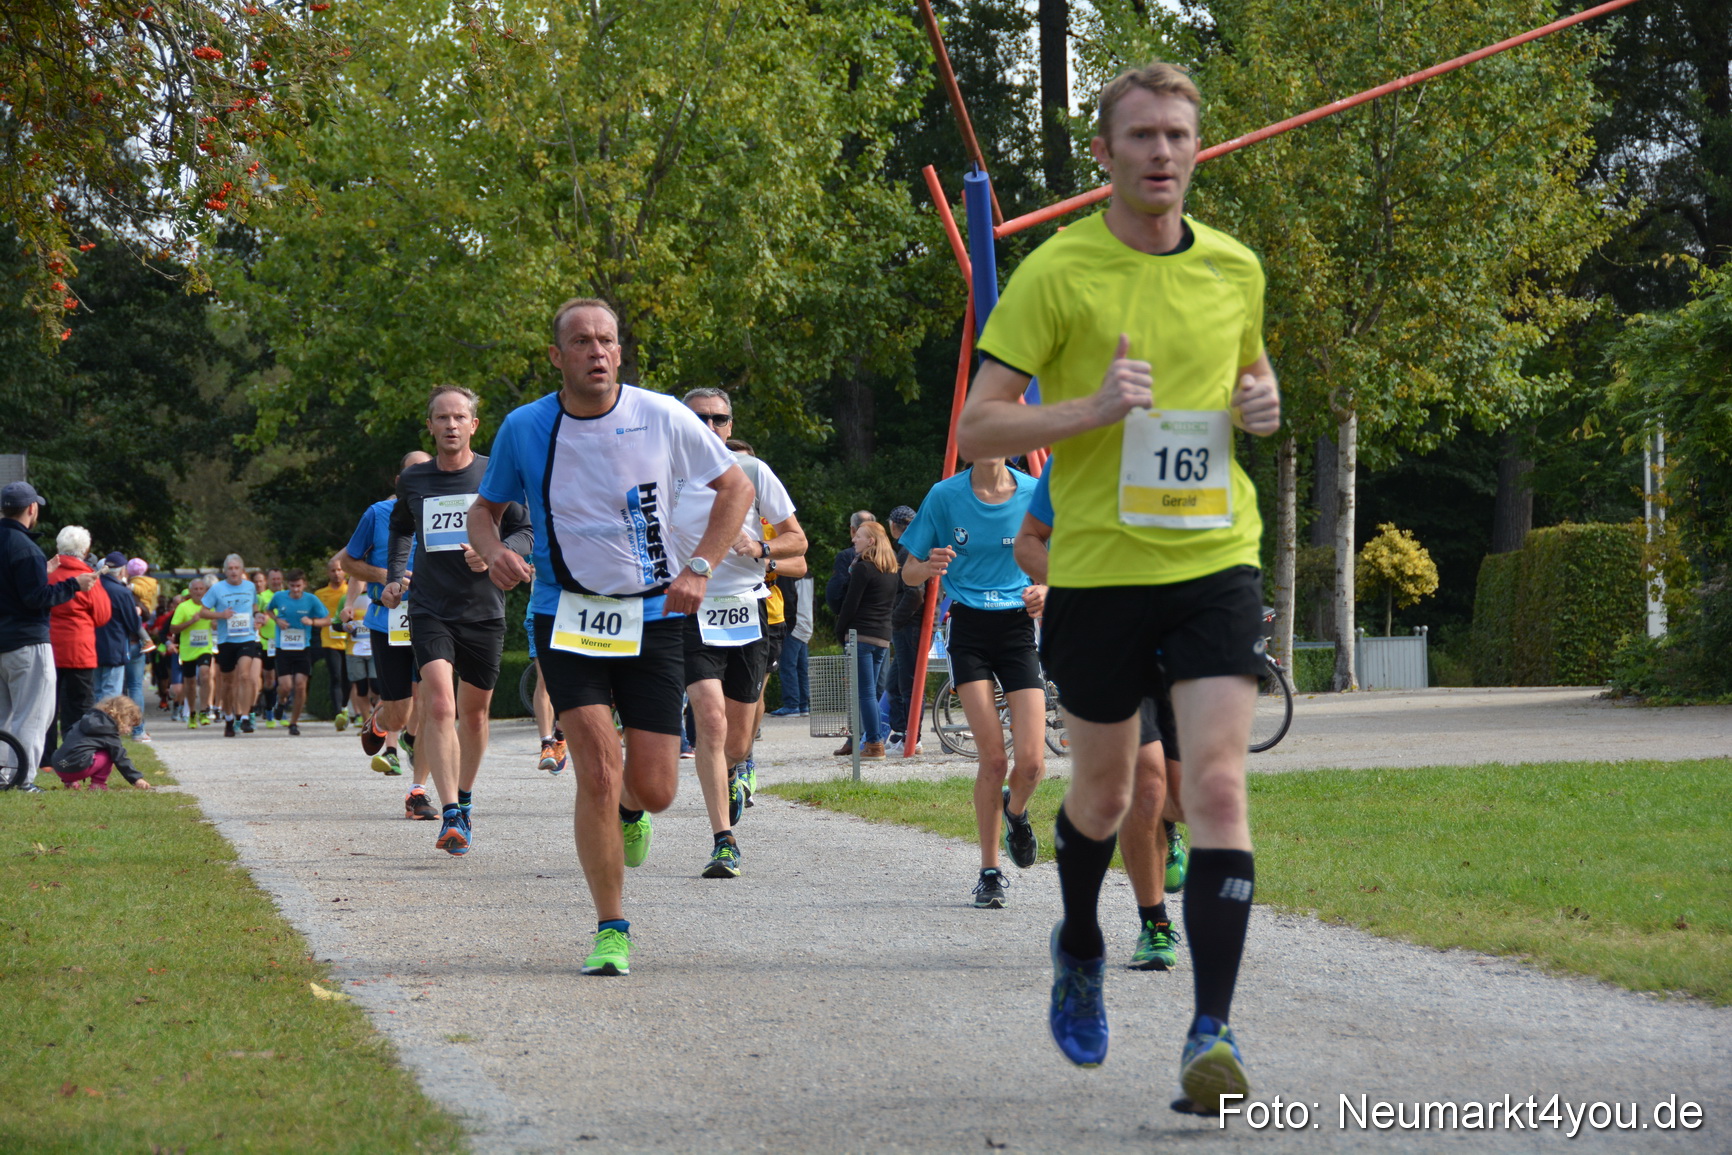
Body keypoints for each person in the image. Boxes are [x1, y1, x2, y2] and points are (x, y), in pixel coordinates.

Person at [955, 61, 1281, 1112]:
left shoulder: (1235, 267)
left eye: (1177, 136)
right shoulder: (1059, 272)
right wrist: (1088, 411)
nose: (1160, 153)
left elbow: (1240, 382)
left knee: (1209, 788)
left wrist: (1263, 400)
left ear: (1198, 149)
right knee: (1102, 794)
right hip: (1096, 570)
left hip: (1215, 556)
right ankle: (1082, 942)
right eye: (1139, 136)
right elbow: (977, 425)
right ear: (1103, 153)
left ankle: (1210, 1031)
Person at [467, 296, 752, 976]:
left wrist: (702, 566)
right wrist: (496, 550)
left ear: (620, 352)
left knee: (653, 786)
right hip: (565, 616)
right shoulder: (524, 426)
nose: (596, 351)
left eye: (607, 340)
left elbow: (734, 486)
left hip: (654, 617)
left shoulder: (662, 415)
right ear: (557, 355)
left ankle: (634, 809)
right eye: (582, 341)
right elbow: (485, 510)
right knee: (595, 768)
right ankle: (611, 926)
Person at [1013, 467, 1191, 971]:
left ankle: (1169, 833)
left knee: (1181, 798)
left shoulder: (1183, 444)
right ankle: (1154, 924)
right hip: (1106, 647)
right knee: (1144, 783)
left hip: (1177, 647)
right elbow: (1027, 542)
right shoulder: (1076, 454)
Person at [382, 385, 532, 857]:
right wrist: (395, 576)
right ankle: (449, 813)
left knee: (474, 713)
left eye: (458, 417)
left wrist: (497, 555)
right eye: (441, 418)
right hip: (429, 607)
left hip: (484, 610)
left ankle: (464, 798)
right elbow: (402, 527)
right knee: (439, 705)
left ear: (473, 425)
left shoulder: (496, 474)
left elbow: (525, 530)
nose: (450, 425)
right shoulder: (415, 480)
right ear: (429, 426)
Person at [673, 388, 807, 879]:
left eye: (719, 418)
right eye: (699, 419)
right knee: (708, 721)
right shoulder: (664, 473)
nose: (710, 427)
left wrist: (760, 546)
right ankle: (723, 839)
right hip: (690, 609)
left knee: (738, 736)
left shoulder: (753, 472)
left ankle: (735, 771)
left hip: (746, 609)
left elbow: (799, 539)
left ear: (730, 425)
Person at [900, 460, 1045, 908]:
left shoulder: (1035, 492)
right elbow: (907, 571)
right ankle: (989, 871)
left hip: (1018, 628)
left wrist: (1049, 589)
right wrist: (928, 567)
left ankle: (1015, 813)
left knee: (1033, 765)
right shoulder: (944, 495)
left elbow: (1067, 559)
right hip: (969, 631)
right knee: (995, 759)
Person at [341, 450, 432, 789]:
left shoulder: (446, 512)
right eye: (413, 473)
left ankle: (418, 790)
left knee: (433, 702)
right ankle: (380, 721)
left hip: (434, 620)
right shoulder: (378, 514)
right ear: (399, 480)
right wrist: (382, 575)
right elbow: (348, 562)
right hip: (388, 621)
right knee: (400, 709)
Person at [0, 481, 95, 791]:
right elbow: (35, 598)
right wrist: (73, 585)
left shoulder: (16, 547)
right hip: (26, 642)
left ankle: (3, 775)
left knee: (3, 716)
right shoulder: (25, 547)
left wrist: (43, 567)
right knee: (33, 714)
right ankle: (23, 780)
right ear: (32, 508)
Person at [42, 526, 112, 777]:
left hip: (48, 648)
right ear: (86, 550)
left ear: (58, 547)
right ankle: (74, 757)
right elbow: (103, 615)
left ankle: (46, 759)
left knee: (47, 706)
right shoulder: (88, 577)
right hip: (80, 651)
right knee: (79, 708)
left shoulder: (47, 572)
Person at [835, 521, 901, 760]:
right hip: (882, 636)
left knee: (865, 693)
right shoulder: (892, 569)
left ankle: (874, 742)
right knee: (873, 691)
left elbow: (850, 604)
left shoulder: (864, 568)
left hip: (861, 634)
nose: (855, 540)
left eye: (859, 537)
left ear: (871, 541)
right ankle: (874, 741)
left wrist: (839, 630)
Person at [199, 554, 266, 736]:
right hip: (226, 640)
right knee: (228, 683)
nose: (233, 572)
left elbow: (254, 608)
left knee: (244, 676)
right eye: (230, 568)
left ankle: (244, 717)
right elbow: (203, 613)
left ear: (242, 571)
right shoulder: (217, 589)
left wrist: (258, 616)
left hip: (247, 638)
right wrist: (221, 615)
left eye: (237, 568)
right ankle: (229, 718)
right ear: (225, 571)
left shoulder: (250, 587)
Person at [268, 569, 332, 735]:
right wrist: (277, 620)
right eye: (292, 586)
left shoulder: (311, 600)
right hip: (283, 648)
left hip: (303, 648)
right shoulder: (279, 597)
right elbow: (268, 610)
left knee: (300, 685)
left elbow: (328, 619)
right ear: (287, 585)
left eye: (298, 586)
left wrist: (312, 621)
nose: (295, 589)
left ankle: (293, 723)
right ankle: (281, 702)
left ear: (304, 584)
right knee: (285, 686)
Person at [885, 504, 926, 752]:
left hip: (911, 624)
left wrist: (894, 620)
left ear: (893, 526)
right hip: (911, 623)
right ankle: (901, 733)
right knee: (895, 683)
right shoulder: (915, 548)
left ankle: (913, 736)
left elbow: (914, 593)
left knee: (909, 684)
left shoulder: (907, 552)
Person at [48, 696, 152, 790]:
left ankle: (70, 783)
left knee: (77, 751)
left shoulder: (85, 720)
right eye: (129, 725)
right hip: (78, 769)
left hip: (59, 766)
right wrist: (136, 779)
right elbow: (121, 759)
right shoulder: (109, 733)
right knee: (109, 753)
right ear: (121, 717)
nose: (129, 730)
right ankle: (98, 784)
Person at [168, 576, 215, 728]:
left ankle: (204, 710)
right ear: (190, 591)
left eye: (201, 589)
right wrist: (191, 622)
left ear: (205, 591)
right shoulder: (183, 607)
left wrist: (215, 623)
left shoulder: (210, 607)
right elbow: (173, 629)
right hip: (188, 650)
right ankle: (192, 714)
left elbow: (216, 623)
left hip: (205, 648)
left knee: (205, 673)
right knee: (190, 682)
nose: (198, 592)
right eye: (195, 589)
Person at [768, 573, 811, 716]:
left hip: (793, 625)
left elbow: (787, 598)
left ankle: (791, 704)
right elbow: (813, 601)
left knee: (787, 666)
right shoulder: (807, 573)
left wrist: (786, 622)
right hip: (806, 624)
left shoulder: (787, 575)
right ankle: (803, 705)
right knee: (801, 667)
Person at [315, 556, 352, 724]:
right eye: (333, 570)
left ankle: (346, 707)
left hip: (350, 640)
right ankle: (338, 713)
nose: (336, 574)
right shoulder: (320, 594)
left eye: (339, 569)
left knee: (349, 677)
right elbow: (315, 614)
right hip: (330, 641)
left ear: (344, 571)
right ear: (328, 573)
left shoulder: (352, 590)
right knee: (336, 676)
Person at [824, 510, 876, 615]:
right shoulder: (890, 557)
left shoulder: (847, 556)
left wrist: (842, 615)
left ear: (853, 530)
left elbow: (835, 592)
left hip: (856, 618)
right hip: (883, 621)